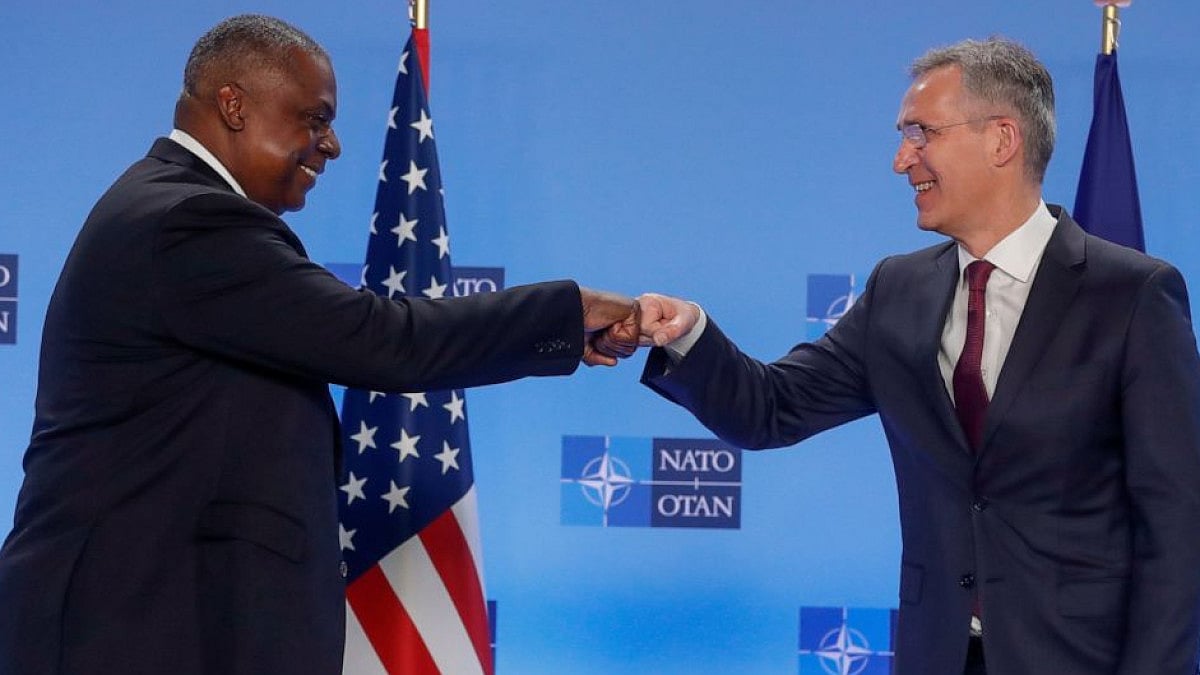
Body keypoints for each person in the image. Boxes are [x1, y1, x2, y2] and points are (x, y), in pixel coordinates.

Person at [0, 14, 638, 675]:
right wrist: (567, 312)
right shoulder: (187, 220)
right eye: (314, 118)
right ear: (234, 104)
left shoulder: (170, 211)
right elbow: (382, 339)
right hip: (129, 631)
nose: (330, 144)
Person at [632, 38, 1200, 674]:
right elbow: (771, 407)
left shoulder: (1130, 294)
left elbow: (1177, 526)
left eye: (920, 133)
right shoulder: (898, 289)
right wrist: (690, 333)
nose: (902, 160)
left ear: (1001, 140)